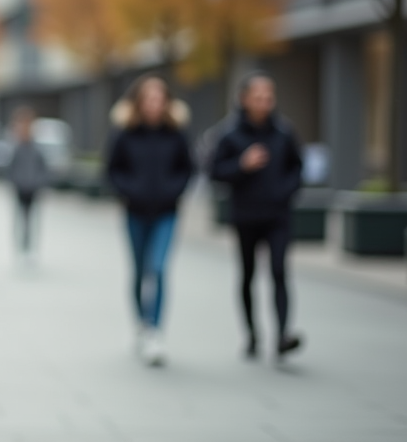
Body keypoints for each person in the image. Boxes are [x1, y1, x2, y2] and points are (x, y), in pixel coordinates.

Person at [210, 72, 304, 360]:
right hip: (246, 215)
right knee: (248, 274)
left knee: (278, 271)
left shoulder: (284, 132)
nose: (265, 103)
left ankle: (282, 335)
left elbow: (297, 168)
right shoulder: (229, 134)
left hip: (277, 215)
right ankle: (251, 334)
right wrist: (242, 165)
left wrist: (284, 192)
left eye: (269, 97)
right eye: (258, 97)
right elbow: (215, 172)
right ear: (244, 99)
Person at [105, 75, 194, 367]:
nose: (154, 105)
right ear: (139, 103)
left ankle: (154, 331)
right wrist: (129, 191)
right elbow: (112, 170)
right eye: (149, 99)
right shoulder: (125, 133)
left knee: (158, 268)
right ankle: (141, 325)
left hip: (166, 212)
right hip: (135, 212)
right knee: (140, 271)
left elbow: (187, 169)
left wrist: (173, 191)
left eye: (160, 99)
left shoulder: (176, 134)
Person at [3, 106, 49, 259]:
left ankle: (30, 247)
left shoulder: (36, 146)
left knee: (32, 219)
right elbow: (9, 167)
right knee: (20, 218)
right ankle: (20, 246)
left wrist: (39, 182)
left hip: (33, 188)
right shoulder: (15, 146)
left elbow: (43, 167)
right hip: (19, 187)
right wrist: (14, 181)